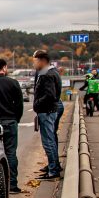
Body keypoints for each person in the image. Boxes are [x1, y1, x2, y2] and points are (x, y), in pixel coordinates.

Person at [0, 58, 24, 192]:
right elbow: (19, 105)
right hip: (9, 121)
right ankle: (12, 185)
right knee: (11, 153)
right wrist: (15, 119)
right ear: (5, 68)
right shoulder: (13, 83)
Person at [33, 50, 62, 179]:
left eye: (35, 61)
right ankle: (53, 166)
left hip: (46, 111)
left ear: (42, 61)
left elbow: (50, 95)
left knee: (48, 141)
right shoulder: (53, 72)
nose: (34, 64)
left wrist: (37, 103)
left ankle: (53, 170)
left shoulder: (47, 75)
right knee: (51, 140)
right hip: (50, 110)